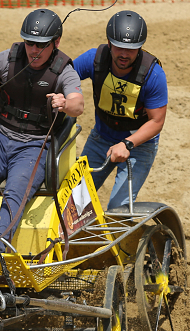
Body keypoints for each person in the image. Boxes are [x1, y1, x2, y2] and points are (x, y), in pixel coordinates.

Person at [0, 9, 85, 240]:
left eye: (41, 44)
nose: (34, 50)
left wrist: (65, 103)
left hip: (34, 146)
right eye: (30, 43)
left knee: (14, 196)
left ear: (56, 42)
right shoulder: (6, 60)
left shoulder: (64, 71)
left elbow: (78, 105)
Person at [74, 10, 168, 210]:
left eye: (131, 49)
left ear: (140, 47)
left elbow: (157, 122)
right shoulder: (95, 58)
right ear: (109, 43)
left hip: (138, 146)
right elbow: (66, 76)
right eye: (119, 47)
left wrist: (127, 144)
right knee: (74, 201)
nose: (124, 54)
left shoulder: (153, 74)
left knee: (118, 211)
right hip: (101, 138)